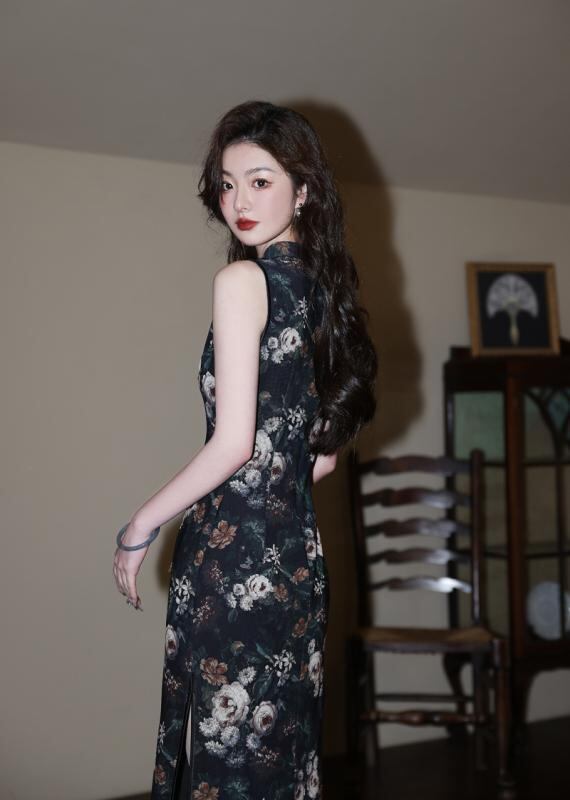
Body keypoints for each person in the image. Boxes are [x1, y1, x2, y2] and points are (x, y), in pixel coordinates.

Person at [112, 100, 377, 800]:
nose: (239, 202)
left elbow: (233, 445)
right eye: (228, 185)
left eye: (261, 181)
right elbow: (323, 455)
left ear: (304, 189)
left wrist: (138, 527)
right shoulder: (323, 292)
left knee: (227, 766)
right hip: (297, 562)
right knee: (281, 761)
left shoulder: (242, 281)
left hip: (234, 563)